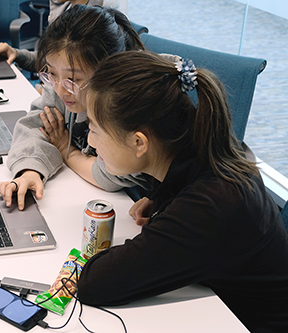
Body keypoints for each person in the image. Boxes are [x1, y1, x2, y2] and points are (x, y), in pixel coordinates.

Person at [77, 50, 288, 332]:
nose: (90, 142)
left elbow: (94, 283)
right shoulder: (206, 144)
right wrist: (161, 203)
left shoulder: (209, 206)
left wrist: (172, 221)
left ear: (139, 142)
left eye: (95, 129)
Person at [0, 5, 150, 210]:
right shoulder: (63, 84)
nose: (60, 90)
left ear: (109, 72)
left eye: (73, 79)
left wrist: (65, 150)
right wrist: (31, 170)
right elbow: (35, 125)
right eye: (51, 73)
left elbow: (108, 176)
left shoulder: (130, 105)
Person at [0, 0, 124, 70]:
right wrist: (16, 54)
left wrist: (51, 92)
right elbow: (51, 60)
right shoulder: (67, 10)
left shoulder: (97, 24)